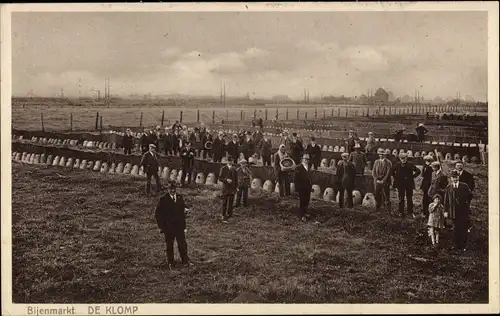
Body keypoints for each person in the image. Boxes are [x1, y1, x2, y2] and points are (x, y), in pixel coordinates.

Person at [155, 181, 192, 269]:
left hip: (179, 226)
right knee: (169, 245)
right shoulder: (163, 199)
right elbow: (158, 214)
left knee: (182, 244)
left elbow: (183, 207)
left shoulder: (179, 197)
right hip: (169, 227)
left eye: (174, 189)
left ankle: (185, 261)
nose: (172, 191)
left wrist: (186, 209)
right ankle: (171, 262)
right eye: (171, 189)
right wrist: (161, 227)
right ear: (168, 189)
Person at [443, 170, 473, 252]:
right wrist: (445, 211)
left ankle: (463, 245)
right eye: (453, 177)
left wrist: (466, 202)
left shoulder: (464, 186)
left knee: (463, 228)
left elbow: (470, 195)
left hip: (463, 211)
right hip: (453, 211)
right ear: (450, 178)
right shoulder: (448, 187)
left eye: (456, 177)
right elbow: (446, 201)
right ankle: (456, 245)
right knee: (455, 228)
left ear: (458, 177)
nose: (454, 179)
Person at [391, 152, 421, 218]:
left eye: (404, 158)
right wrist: (396, 177)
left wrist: (412, 176)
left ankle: (410, 212)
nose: (403, 160)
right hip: (400, 184)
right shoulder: (397, 165)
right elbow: (392, 171)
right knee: (401, 198)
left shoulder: (410, 164)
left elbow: (418, 171)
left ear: (407, 158)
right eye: (402, 158)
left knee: (409, 198)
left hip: (409, 184)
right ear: (399, 159)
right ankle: (401, 212)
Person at [293, 153, 313, 221]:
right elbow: (295, 179)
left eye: (308, 159)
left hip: (308, 187)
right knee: (302, 201)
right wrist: (297, 188)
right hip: (301, 188)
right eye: (305, 159)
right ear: (302, 159)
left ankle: (305, 213)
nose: (307, 160)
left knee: (307, 200)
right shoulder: (298, 168)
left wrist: (311, 185)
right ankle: (301, 215)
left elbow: (310, 177)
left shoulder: (309, 167)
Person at [218, 156, 238, 223]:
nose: (230, 162)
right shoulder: (223, 168)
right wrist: (226, 180)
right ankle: (223, 215)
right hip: (226, 188)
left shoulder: (234, 169)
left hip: (232, 188)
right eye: (229, 161)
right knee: (225, 202)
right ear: (227, 161)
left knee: (231, 202)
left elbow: (236, 179)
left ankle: (229, 215)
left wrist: (236, 187)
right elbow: (220, 178)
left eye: (231, 161)